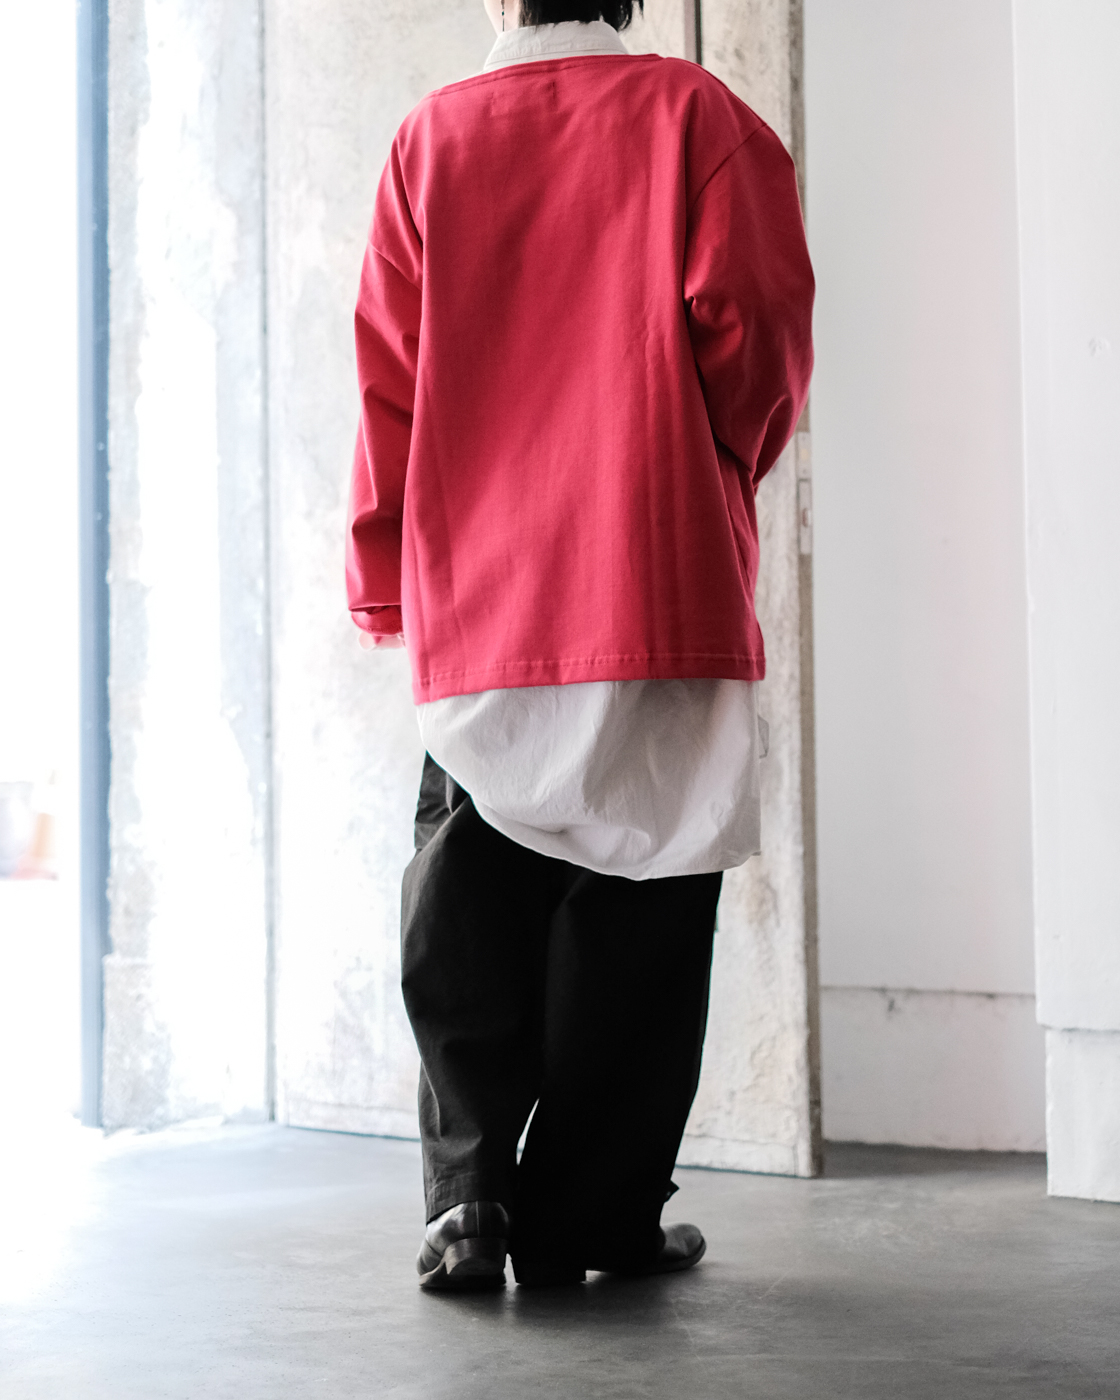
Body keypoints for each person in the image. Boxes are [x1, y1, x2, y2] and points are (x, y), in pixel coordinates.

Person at [346, 0, 813, 1291]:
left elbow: (389, 380)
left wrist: (382, 572)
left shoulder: (430, 142)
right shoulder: (698, 121)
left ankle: (469, 1195)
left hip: (485, 589)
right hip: (653, 568)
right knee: (643, 910)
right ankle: (594, 1215)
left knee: (467, 885)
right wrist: (714, 463)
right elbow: (760, 340)